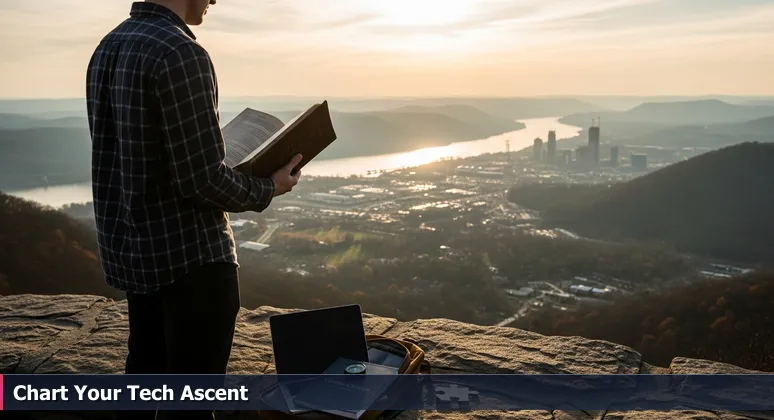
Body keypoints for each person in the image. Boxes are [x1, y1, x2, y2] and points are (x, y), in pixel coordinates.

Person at [85, 1, 301, 418]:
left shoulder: (109, 45)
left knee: (144, 382)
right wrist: (267, 187)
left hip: (136, 252)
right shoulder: (180, 52)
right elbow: (201, 179)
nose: (215, 0)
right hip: (192, 259)